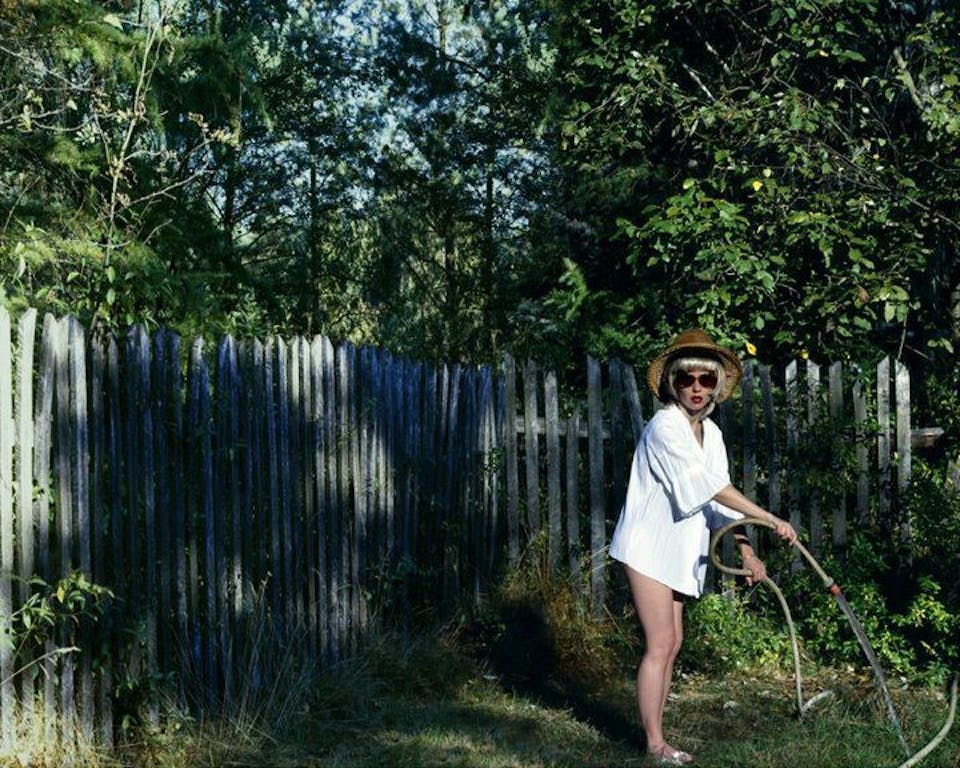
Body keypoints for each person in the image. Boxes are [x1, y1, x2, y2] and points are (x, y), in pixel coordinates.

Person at [609, 329, 798, 765]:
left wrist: (747, 551)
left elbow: (721, 502)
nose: (696, 388)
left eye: (705, 379)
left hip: (676, 549)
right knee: (660, 643)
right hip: (647, 545)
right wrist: (771, 519)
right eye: (687, 379)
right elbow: (711, 488)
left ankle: (658, 739)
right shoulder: (665, 427)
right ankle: (655, 745)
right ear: (673, 383)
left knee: (673, 642)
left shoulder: (710, 434)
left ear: (716, 385)